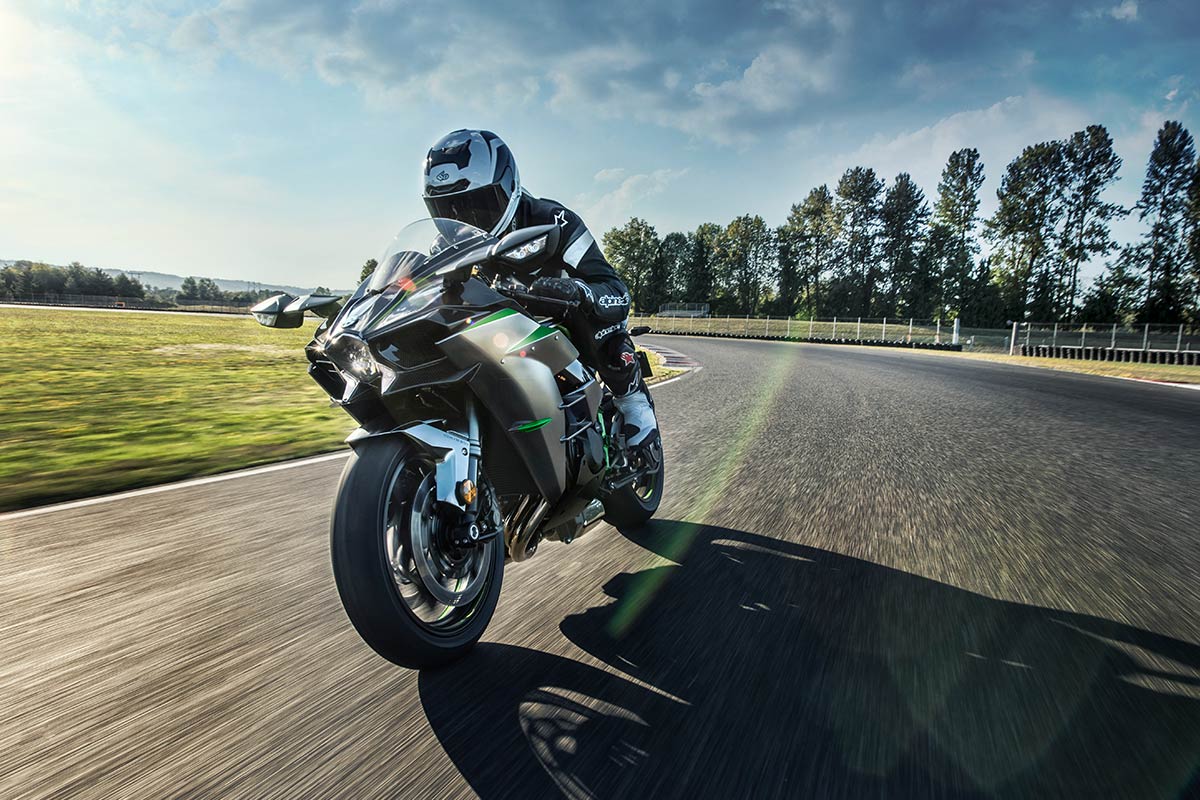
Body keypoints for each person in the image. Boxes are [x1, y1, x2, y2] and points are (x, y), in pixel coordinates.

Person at [421, 129, 659, 461]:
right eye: (449, 210)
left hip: (567, 327)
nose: (464, 220)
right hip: (503, 334)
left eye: (477, 206)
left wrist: (578, 291)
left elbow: (616, 291)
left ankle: (633, 405)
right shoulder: (445, 246)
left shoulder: (555, 220)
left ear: (508, 187)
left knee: (598, 324)